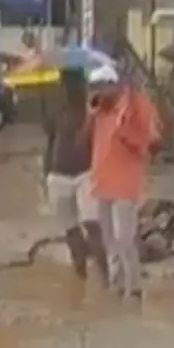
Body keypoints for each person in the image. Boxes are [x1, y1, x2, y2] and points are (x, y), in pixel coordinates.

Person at [86, 65, 160, 299]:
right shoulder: (99, 109)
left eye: (102, 86)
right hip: (102, 181)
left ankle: (134, 286)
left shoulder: (134, 107)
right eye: (95, 86)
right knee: (109, 238)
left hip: (125, 183)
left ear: (114, 86)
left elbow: (152, 141)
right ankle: (117, 286)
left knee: (125, 238)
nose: (97, 91)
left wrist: (128, 135)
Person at [42, 68, 107, 286]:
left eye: (75, 84)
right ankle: (80, 278)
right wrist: (46, 175)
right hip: (58, 176)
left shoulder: (94, 112)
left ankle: (107, 279)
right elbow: (50, 144)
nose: (70, 89)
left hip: (86, 174)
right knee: (71, 230)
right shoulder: (55, 111)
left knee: (92, 225)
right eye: (66, 84)